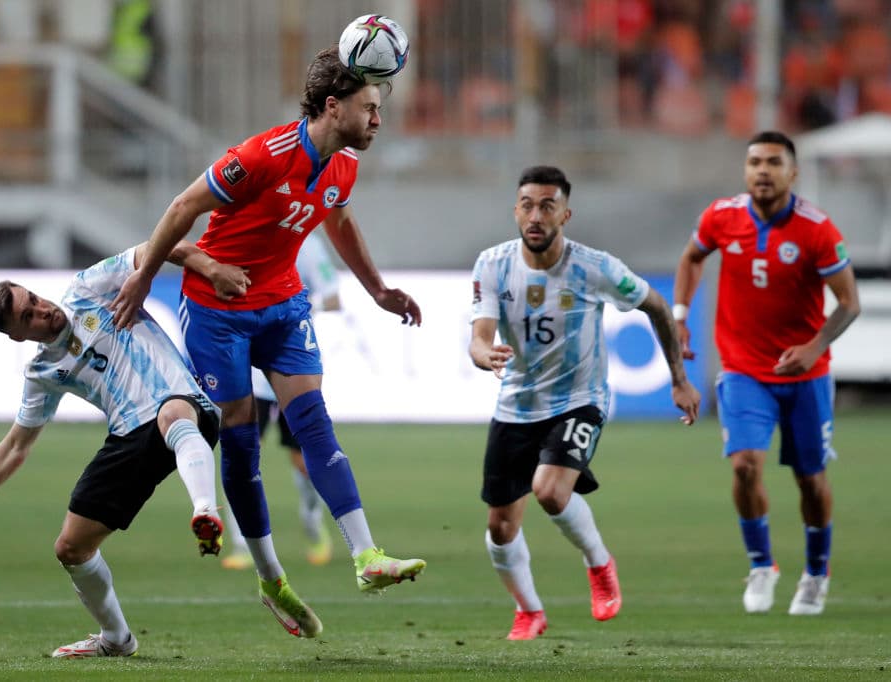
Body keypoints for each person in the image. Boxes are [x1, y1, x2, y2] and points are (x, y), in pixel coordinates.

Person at [108, 45, 426, 610]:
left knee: (313, 421)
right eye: (370, 108)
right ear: (334, 107)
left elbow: (339, 217)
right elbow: (183, 206)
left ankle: (366, 556)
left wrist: (377, 289)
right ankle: (270, 575)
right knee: (241, 435)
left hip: (282, 304)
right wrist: (142, 279)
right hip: (215, 311)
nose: (378, 120)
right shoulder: (260, 156)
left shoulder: (345, 164)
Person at [0, 240, 323, 658]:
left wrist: (210, 267)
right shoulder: (43, 371)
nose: (42, 310)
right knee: (71, 548)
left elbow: (162, 246)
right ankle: (116, 638)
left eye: (35, 299)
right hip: (130, 436)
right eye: (28, 316)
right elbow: (15, 447)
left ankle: (205, 510)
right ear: (18, 335)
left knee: (173, 415)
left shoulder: (87, 289)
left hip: (184, 403)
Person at [470, 165, 700, 641]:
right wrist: (482, 355)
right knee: (500, 528)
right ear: (516, 210)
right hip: (516, 404)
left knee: (551, 491)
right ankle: (529, 610)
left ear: (565, 214)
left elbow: (655, 305)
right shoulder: (492, 264)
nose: (536, 215)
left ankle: (599, 564)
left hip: (579, 398)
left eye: (547, 206)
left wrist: (679, 380)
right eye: (528, 205)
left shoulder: (594, 268)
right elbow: (479, 337)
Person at [673, 131, 860, 616]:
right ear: (745, 169)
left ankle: (817, 573)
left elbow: (849, 302)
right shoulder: (721, 217)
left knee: (810, 480)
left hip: (806, 374)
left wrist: (815, 345)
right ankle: (762, 564)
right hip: (742, 368)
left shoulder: (817, 229)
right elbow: (692, 257)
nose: (762, 170)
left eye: (773, 162)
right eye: (755, 161)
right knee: (744, 465)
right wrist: (679, 315)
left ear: (792, 173)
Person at [222, 230, 342, 570]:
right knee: (240, 456)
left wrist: (291, 307)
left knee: (304, 460)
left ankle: (313, 527)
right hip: (246, 370)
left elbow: (333, 297)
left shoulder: (308, 244)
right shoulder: (243, 233)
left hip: (292, 369)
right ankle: (242, 545)